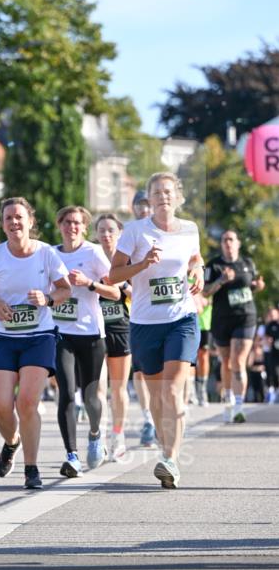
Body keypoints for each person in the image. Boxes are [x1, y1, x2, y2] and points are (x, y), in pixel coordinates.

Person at [110, 171, 204, 489]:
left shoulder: (190, 229)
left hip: (182, 319)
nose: (163, 196)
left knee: (173, 390)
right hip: (145, 323)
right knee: (155, 396)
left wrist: (199, 270)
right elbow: (113, 275)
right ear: (148, 200)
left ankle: (171, 460)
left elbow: (195, 257)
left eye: (168, 191)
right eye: (157, 192)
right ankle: (166, 452)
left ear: (178, 197)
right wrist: (143, 265)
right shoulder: (135, 231)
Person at [0, 197, 70, 490]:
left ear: (30, 221)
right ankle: (11, 442)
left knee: (26, 402)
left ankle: (32, 468)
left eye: (18, 217)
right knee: (1, 407)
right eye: (8, 219)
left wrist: (48, 299)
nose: (14, 223)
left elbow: (65, 290)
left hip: (39, 336)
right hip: (3, 336)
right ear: (3, 225)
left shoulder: (46, 255)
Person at [51, 206, 122, 476]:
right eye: (67, 222)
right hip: (60, 333)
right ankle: (72, 456)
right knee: (67, 393)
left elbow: (115, 292)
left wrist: (89, 283)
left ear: (84, 227)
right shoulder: (50, 254)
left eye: (77, 223)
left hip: (91, 334)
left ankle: (95, 435)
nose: (72, 227)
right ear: (60, 225)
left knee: (92, 396)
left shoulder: (93, 253)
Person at [204, 229, 265, 422]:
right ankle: (229, 400)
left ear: (238, 243)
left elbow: (252, 285)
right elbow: (205, 292)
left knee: (238, 361)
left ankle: (239, 407)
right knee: (226, 362)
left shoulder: (247, 264)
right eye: (224, 240)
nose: (228, 243)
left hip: (245, 317)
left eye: (231, 239)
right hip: (222, 319)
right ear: (221, 244)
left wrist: (258, 286)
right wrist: (221, 280)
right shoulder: (214, 265)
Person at [95, 214, 132, 462]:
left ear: (120, 233)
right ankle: (98, 437)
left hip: (121, 326)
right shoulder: (91, 258)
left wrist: (120, 287)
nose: (106, 235)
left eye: (111, 230)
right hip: (95, 328)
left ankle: (118, 436)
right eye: (101, 231)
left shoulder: (128, 260)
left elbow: (138, 291)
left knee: (118, 387)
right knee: (97, 386)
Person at [130, 189, 157, 446]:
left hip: (165, 311)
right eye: (140, 204)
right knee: (140, 371)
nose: (144, 209)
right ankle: (149, 418)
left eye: (147, 204)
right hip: (136, 310)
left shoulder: (167, 231)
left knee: (166, 371)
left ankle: (165, 414)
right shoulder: (128, 233)